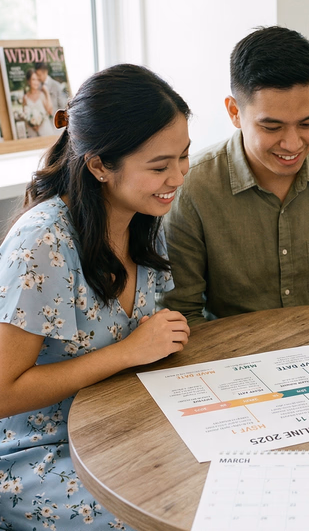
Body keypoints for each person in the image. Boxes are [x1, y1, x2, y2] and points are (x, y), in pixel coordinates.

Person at [0, 64, 191, 530]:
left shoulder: (143, 220)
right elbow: (2, 392)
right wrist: (128, 352)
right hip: (40, 453)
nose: (178, 177)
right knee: (156, 516)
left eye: (184, 157)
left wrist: (156, 337)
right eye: (160, 166)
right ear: (101, 165)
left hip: (119, 428)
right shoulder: (43, 242)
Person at [162, 26, 309, 325]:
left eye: (308, 123)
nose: (293, 144)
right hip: (233, 357)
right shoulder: (193, 186)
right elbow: (183, 312)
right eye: (272, 127)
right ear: (234, 112)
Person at [21, 68, 55, 137]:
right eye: (33, 79)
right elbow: (25, 115)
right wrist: (32, 124)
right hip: (32, 131)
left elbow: (50, 111)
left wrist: (47, 92)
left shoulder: (42, 95)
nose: (36, 82)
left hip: (45, 129)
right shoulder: (25, 98)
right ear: (29, 81)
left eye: (38, 80)